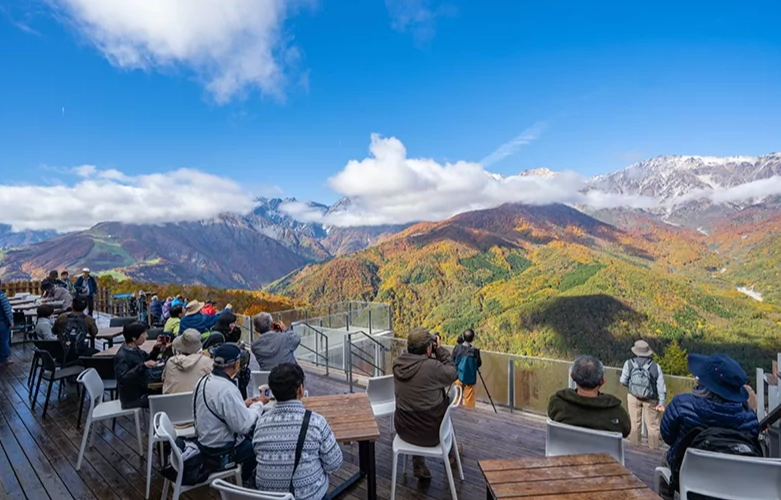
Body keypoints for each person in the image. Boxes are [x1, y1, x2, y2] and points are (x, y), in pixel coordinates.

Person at [253, 363, 342, 499]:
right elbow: (334, 463)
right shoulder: (315, 422)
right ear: (300, 389)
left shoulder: (261, 423)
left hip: (268, 496)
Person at [661, 354, 759, 469]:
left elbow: (667, 436)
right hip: (734, 478)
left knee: (666, 460)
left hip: (685, 473)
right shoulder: (750, 417)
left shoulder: (682, 404)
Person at [393, 327, 458, 479]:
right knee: (441, 404)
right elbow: (452, 373)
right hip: (431, 434)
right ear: (428, 349)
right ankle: (450, 455)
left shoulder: (398, 364)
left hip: (404, 430)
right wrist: (440, 350)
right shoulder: (432, 367)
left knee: (416, 405)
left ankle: (418, 463)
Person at [194, 344, 265, 482]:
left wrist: (243, 404)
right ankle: (244, 480)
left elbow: (218, 407)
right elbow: (243, 426)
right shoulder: (227, 389)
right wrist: (259, 404)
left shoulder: (202, 381)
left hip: (204, 442)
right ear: (236, 363)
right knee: (259, 446)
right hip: (220, 451)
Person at [548, 355, 631, 437]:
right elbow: (625, 431)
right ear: (602, 381)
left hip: (565, 450)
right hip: (603, 451)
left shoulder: (557, 402)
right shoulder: (618, 413)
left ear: (572, 376)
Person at [620, 340, 666, 449]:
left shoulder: (629, 363)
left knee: (635, 423)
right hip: (651, 398)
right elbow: (661, 386)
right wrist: (661, 402)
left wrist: (632, 387)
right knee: (653, 425)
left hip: (633, 396)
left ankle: (635, 449)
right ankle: (654, 449)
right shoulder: (656, 366)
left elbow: (622, 380)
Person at [114, 322, 165, 409]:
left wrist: (156, 349)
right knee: (165, 399)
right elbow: (123, 379)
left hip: (141, 390)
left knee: (166, 392)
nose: (147, 336)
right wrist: (143, 365)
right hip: (133, 399)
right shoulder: (123, 356)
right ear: (134, 338)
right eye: (144, 334)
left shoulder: (134, 349)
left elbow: (147, 359)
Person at [162, 328, 213, 394]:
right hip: (198, 403)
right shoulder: (207, 362)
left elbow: (164, 379)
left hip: (172, 403)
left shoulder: (170, 362)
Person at [53, 297, 99, 361]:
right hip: (80, 353)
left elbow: (54, 331)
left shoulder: (62, 317)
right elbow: (94, 332)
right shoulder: (88, 319)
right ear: (85, 307)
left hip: (62, 353)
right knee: (97, 352)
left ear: (72, 305)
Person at [452, 329, 482, 408]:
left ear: (463, 337)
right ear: (473, 339)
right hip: (470, 379)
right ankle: (469, 415)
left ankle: (456, 412)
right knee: (469, 400)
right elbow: (478, 364)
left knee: (457, 397)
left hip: (458, 376)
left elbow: (453, 361)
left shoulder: (457, 348)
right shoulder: (475, 351)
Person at [0, 281, 13, 367]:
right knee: (4, 341)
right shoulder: (2, 296)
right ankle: (3, 359)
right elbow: (7, 310)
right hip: (2, 322)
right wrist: (11, 321)